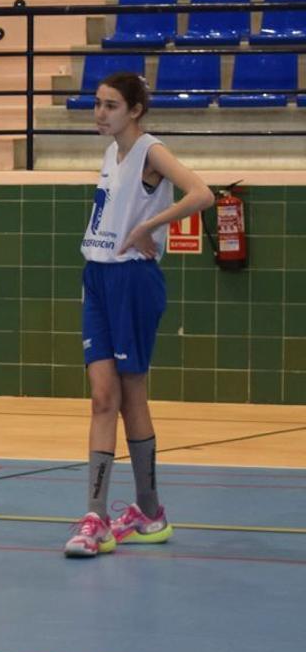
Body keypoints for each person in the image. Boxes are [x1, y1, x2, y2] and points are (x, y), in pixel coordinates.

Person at [64, 72, 213, 558]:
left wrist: (149, 224)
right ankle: (96, 515)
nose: (100, 112)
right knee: (101, 396)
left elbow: (201, 193)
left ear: (134, 110)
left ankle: (149, 509)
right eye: (97, 104)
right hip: (98, 276)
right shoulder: (111, 153)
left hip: (132, 278)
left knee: (131, 396)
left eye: (110, 105)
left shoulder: (150, 151)